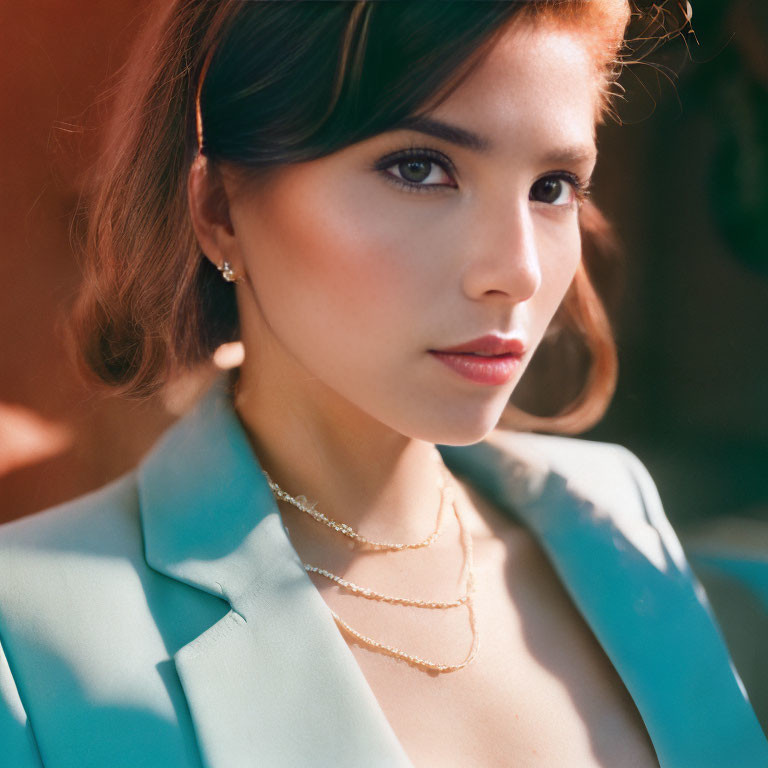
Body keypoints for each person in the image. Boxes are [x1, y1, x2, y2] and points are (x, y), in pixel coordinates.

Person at [0, 1, 766, 766]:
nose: (517, 272)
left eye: (553, 186)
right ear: (219, 208)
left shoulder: (615, 516)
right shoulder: (26, 639)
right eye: (419, 169)